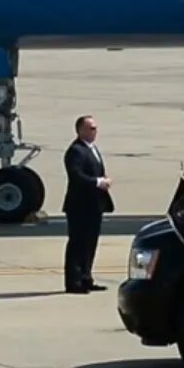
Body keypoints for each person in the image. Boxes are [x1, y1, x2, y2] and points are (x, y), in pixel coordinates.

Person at [62, 115, 114, 294]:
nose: (95, 131)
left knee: (90, 243)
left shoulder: (92, 149)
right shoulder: (75, 151)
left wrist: (104, 179)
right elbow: (76, 175)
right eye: (91, 128)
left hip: (94, 205)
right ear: (81, 130)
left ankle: (86, 278)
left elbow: (96, 170)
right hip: (79, 206)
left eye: (96, 128)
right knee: (77, 244)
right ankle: (73, 282)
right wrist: (97, 182)